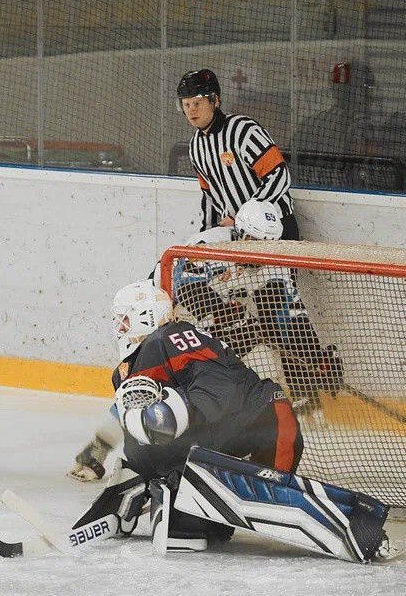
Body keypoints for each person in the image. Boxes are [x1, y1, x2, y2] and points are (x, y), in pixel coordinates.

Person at [70, 281, 389, 562]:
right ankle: (192, 513)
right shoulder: (191, 337)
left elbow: (136, 404)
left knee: (148, 437)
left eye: (123, 317)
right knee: (249, 489)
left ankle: (155, 491)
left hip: (236, 430)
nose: (119, 325)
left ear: (144, 316)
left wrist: (98, 453)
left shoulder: (153, 348)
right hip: (275, 419)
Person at [67, 199, 342, 481]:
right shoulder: (209, 246)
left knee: (231, 391)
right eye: (254, 242)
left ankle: (221, 456)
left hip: (211, 334)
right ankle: (98, 450)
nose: (260, 254)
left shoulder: (274, 263)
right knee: (145, 386)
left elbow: (289, 314)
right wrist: (221, 312)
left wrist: (314, 356)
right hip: (166, 322)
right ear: (240, 233)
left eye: (267, 245)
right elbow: (185, 287)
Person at [177, 69, 300, 240]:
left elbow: (279, 175)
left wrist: (242, 215)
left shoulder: (244, 131)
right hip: (237, 234)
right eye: (186, 104)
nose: (191, 110)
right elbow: (209, 196)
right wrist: (207, 231)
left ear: (215, 101)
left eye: (197, 103)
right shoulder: (195, 146)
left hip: (275, 229)